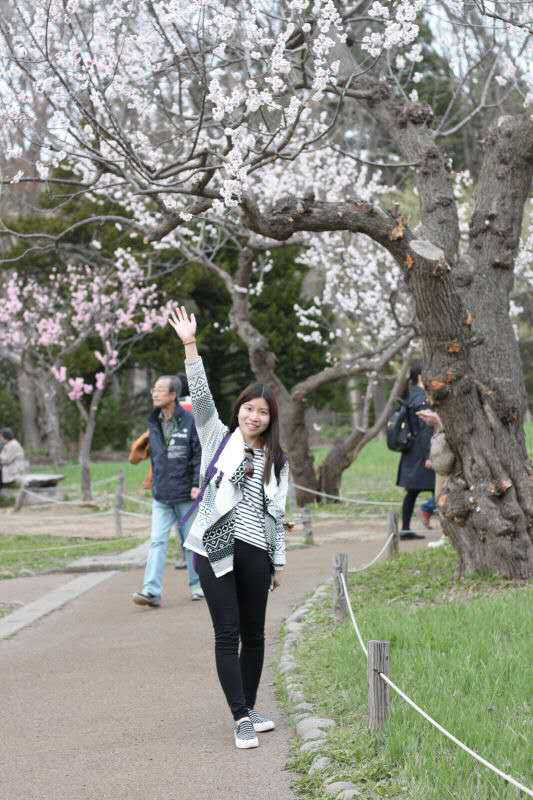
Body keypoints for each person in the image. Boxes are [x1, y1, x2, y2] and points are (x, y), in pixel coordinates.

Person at [169, 306, 289, 751]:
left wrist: (277, 562)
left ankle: (250, 706)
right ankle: (239, 717)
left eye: (262, 413)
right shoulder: (216, 436)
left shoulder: (277, 460)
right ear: (239, 410)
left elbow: (278, 514)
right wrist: (189, 345)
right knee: (228, 632)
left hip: (256, 551)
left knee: (255, 634)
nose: (254, 417)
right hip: (213, 548)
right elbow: (200, 396)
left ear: (271, 419)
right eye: (249, 409)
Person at [132, 374, 204, 605]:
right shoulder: (153, 422)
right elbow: (154, 458)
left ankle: (198, 585)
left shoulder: (190, 420)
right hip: (161, 494)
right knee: (156, 541)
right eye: (154, 389)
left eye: (160, 389)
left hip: (185, 493)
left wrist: (196, 484)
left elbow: (197, 455)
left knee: (190, 541)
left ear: (173, 395)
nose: (154, 393)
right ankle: (151, 591)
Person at [396, 362, 435, 540]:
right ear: (420, 376)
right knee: (441, 489)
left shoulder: (410, 394)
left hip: (411, 450)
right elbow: (426, 428)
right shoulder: (421, 398)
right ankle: (448, 532)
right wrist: (429, 455)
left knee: (412, 492)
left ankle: (405, 529)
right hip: (422, 451)